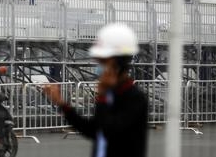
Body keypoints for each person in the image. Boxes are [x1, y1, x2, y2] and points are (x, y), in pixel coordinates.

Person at [43, 23, 148, 157]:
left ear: (118, 63)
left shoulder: (135, 98)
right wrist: (62, 104)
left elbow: (109, 131)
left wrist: (102, 96)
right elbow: (93, 130)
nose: (100, 66)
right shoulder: (110, 94)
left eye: (103, 61)